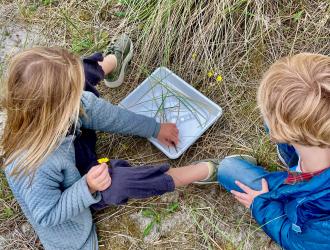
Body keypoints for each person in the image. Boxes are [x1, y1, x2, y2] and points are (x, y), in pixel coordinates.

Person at [1, 35, 218, 250]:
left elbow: (105, 114)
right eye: (74, 97)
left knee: (81, 76)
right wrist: (86, 187)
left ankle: (112, 62)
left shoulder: (42, 109)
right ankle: (203, 172)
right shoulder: (34, 168)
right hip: (76, 187)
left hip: (68, 145)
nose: (80, 98)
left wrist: (154, 128)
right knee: (121, 181)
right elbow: (47, 215)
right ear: (56, 111)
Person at [217, 53, 330, 249]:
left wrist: (260, 205)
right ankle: (293, 158)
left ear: (282, 133)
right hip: (313, 170)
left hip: (307, 196)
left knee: (227, 168)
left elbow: (292, 240)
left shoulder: (321, 223)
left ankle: (290, 161)